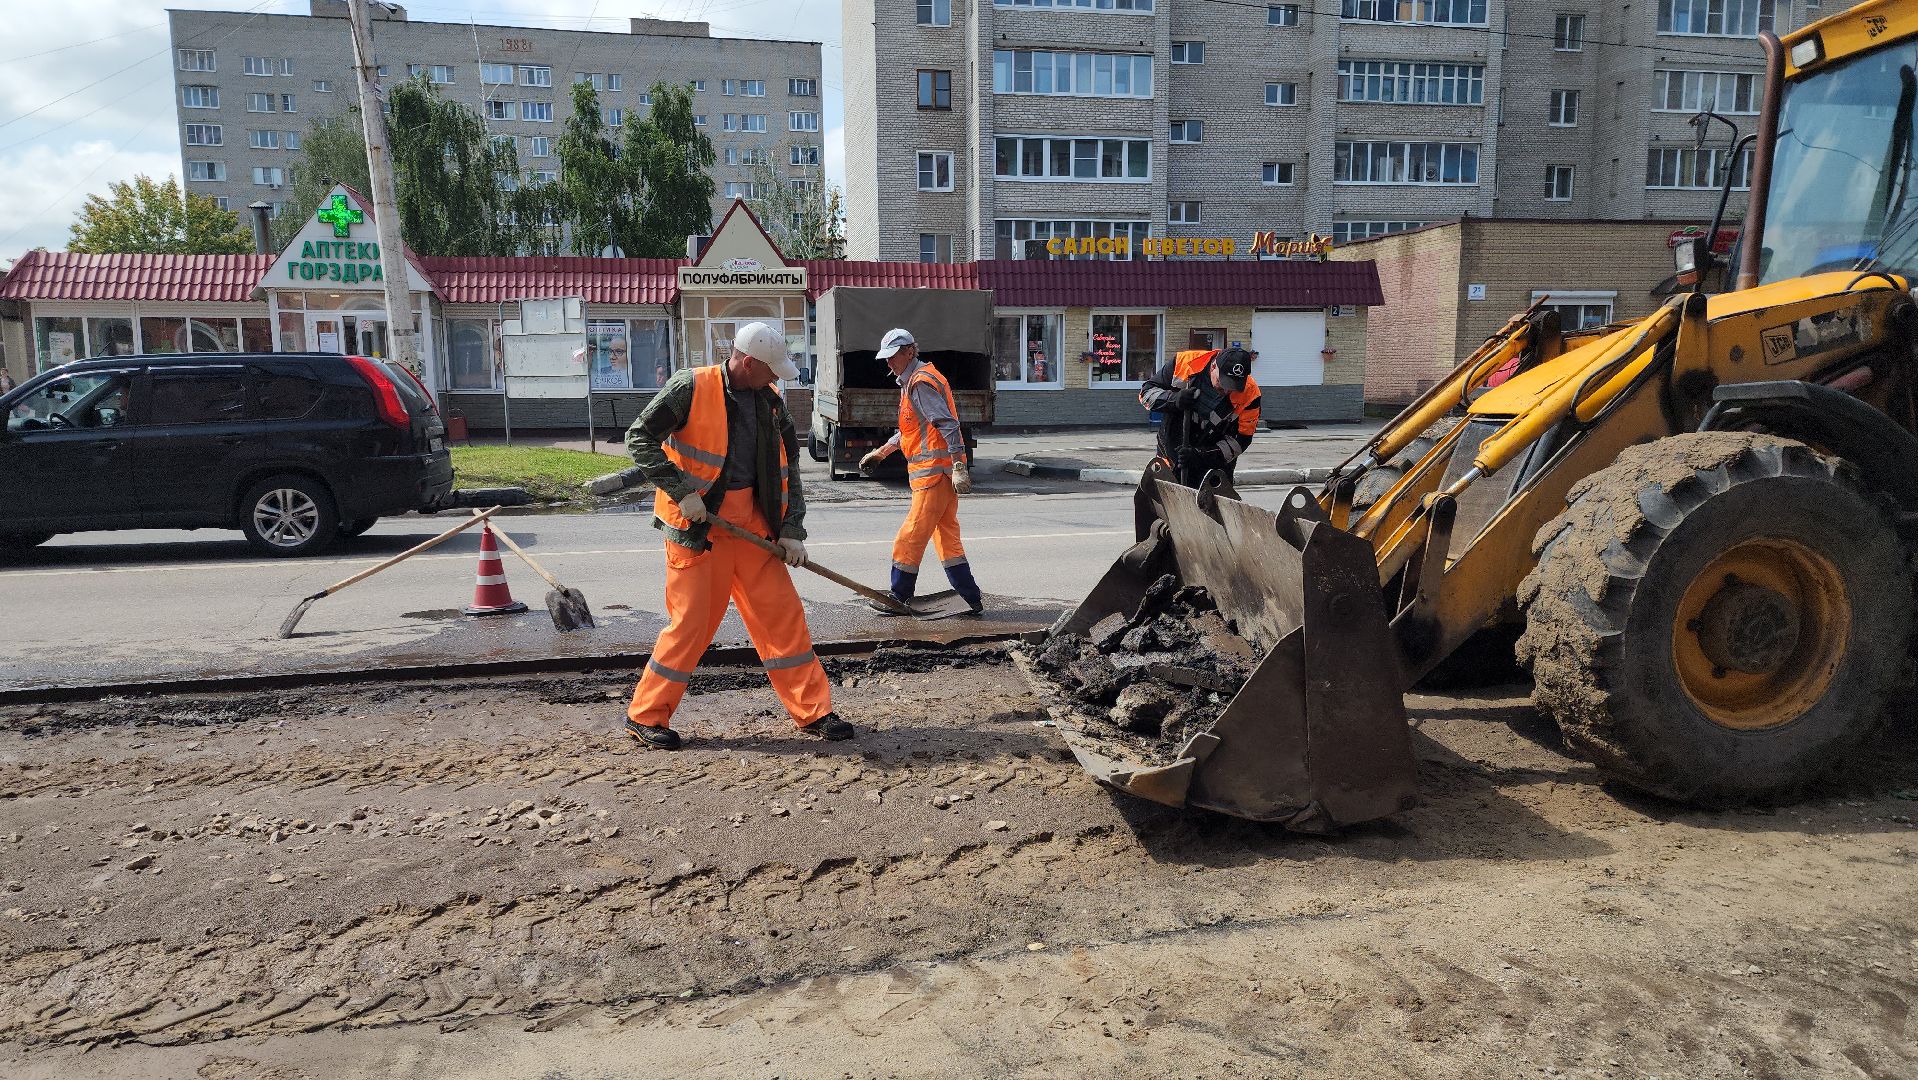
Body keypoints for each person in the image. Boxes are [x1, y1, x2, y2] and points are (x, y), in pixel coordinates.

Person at [622, 321, 852, 749]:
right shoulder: (689, 387)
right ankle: (647, 715)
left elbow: (791, 472)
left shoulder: (771, 404)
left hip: (754, 530)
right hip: (699, 528)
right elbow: (639, 438)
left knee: (782, 619)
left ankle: (814, 711)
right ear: (747, 362)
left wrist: (790, 530)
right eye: (770, 370)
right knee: (689, 626)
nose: (775, 379)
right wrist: (681, 491)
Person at [858, 327, 984, 615]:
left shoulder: (920, 383)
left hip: (934, 475)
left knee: (910, 534)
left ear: (910, 351)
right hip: (936, 474)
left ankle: (898, 595)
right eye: (886, 357)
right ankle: (970, 598)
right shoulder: (911, 382)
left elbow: (948, 424)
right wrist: (881, 452)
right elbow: (911, 431)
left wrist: (959, 466)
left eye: (893, 356)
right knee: (946, 537)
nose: (889, 362)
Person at [1138, 344, 1261, 488]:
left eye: (1233, 386)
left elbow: (1241, 441)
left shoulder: (1250, 394)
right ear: (1214, 366)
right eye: (1223, 383)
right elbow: (1146, 394)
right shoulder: (1185, 363)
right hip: (1171, 459)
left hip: (1214, 469)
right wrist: (1173, 399)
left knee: (1212, 509)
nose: (1227, 390)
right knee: (1165, 506)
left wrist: (1200, 456)